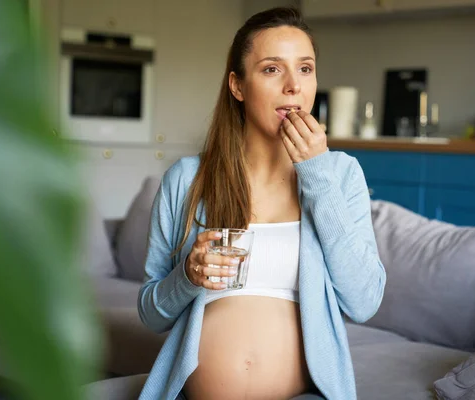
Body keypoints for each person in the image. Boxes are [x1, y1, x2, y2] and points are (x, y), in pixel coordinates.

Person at [137, 7, 386, 400]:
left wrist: (317, 174)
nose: (293, 86)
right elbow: (151, 314)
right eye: (272, 69)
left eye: (305, 69)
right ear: (238, 86)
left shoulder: (340, 173)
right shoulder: (187, 178)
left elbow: (364, 302)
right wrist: (186, 275)